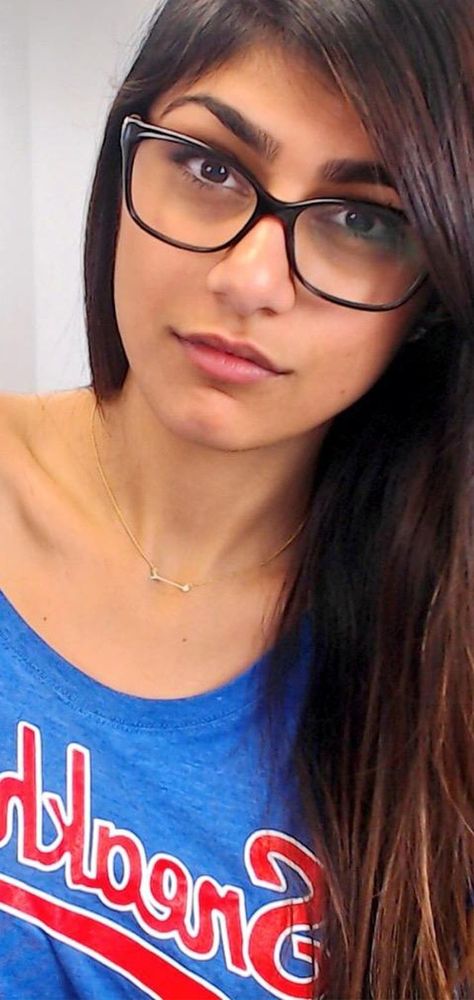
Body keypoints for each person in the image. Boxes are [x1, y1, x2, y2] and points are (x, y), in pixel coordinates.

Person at [0, 0, 472, 996]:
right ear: (125, 162)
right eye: (211, 166)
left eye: (362, 219)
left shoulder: (440, 668)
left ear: (431, 296)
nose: (252, 279)